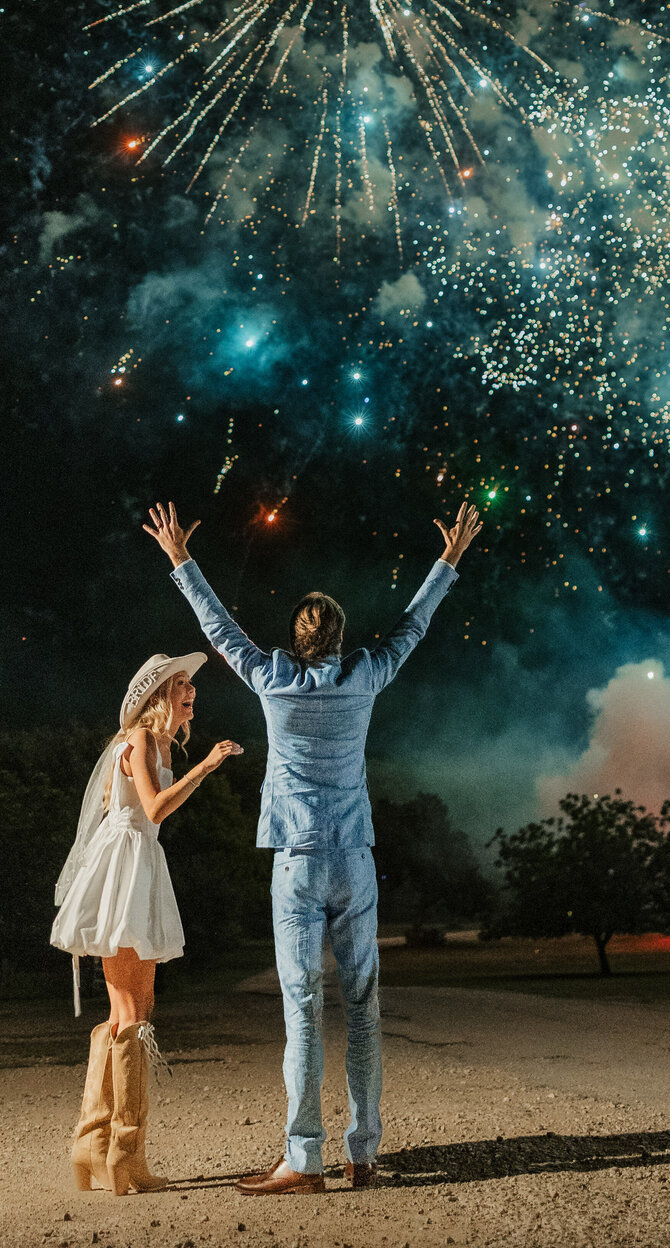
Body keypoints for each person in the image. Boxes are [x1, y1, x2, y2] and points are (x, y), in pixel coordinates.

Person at [144, 496, 482, 1197]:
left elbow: (219, 630)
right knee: (364, 1008)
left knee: (302, 1009)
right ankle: (364, 1154)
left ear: (297, 641)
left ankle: (304, 1159)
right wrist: (448, 560)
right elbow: (414, 627)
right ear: (338, 637)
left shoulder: (272, 678)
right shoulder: (363, 676)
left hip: (297, 860)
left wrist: (181, 559)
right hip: (354, 858)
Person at [51, 653, 243, 1194]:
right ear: (157, 696)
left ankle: (93, 1145)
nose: (191, 691)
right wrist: (206, 766)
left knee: (128, 1012)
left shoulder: (158, 744)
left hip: (140, 866)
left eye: (190, 684)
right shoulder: (137, 740)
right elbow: (154, 809)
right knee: (133, 1011)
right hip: (125, 871)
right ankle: (125, 1157)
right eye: (179, 684)